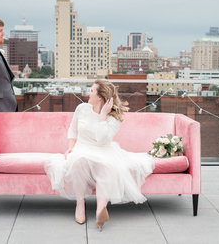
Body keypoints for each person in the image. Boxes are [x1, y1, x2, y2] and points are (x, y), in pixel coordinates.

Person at [45, 80, 154, 231]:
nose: (88, 93)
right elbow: (73, 130)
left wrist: (103, 115)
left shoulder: (114, 117)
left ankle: (100, 210)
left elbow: (102, 139)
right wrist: (70, 147)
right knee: (79, 161)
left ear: (100, 97)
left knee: (104, 166)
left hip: (103, 150)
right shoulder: (82, 108)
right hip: (82, 148)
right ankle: (80, 204)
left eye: (91, 91)